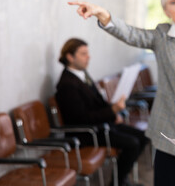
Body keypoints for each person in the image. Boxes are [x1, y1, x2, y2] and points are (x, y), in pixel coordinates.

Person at [68, 0, 175, 186]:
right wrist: (101, 13)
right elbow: (130, 34)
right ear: (167, 11)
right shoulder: (161, 35)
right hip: (169, 130)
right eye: (173, 2)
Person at [56, 38, 148, 186]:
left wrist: (114, 114)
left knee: (143, 136)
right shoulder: (67, 84)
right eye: (83, 53)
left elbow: (97, 102)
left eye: (88, 53)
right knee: (132, 143)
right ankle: (117, 182)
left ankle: (120, 179)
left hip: (101, 125)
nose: (88, 57)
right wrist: (112, 111)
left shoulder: (82, 75)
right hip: (86, 133)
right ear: (70, 57)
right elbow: (81, 118)